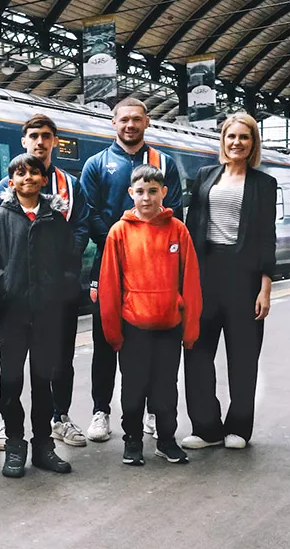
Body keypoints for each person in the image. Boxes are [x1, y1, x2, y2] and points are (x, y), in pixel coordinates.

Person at [80, 97, 183, 443]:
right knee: (105, 340)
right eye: (124, 119)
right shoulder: (96, 164)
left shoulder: (164, 162)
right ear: (113, 122)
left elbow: (176, 212)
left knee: (151, 342)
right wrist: (117, 244)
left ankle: (152, 410)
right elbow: (88, 212)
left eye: (136, 119)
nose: (130, 125)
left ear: (147, 121)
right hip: (108, 265)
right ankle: (100, 410)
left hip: (155, 270)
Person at [0, 154, 81, 477]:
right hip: (12, 316)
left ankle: (44, 445)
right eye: (20, 173)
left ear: (44, 180)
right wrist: (3, 283)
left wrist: (60, 290)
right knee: (10, 381)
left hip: (48, 317)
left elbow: (71, 265)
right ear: (11, 181)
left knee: (43, 382)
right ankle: (15, 444)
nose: (28, 178)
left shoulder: (56, 222)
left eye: (35, 172)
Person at [0, 114, 89, 450]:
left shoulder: (70, 185)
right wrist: (7, 282)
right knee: (14, 367)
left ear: (54, 141)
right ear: (23, 140)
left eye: (47, 136)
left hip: (57, 295)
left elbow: (81, 227)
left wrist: (63, 277)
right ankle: (10, 424)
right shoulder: (6, 188)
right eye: (33, 135)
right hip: (18, 298)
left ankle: (60, 418)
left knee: (61, 359)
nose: (40, 141)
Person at [182, 112, 276, 451]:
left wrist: (265, 288)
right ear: (222, 141)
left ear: (253, 144)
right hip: (205, 274)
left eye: (244, 137)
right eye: (231, 136)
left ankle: (239, 427)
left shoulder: (264, 184)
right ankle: (206, 427)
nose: (236, 142)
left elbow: (267, 237)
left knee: (243, 355)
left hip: (245, 277)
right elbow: (191, 228)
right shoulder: (205, 176)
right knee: (196, 352)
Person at [98, 165, 202, 466]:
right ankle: (132, 440)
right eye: (140, 192)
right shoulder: (119, 232)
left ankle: (166, 440)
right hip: (133, 328)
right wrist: (113, 332)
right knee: (132, 388)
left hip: (169, 326)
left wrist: (190, 329)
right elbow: (109, 285)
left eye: (153, 191)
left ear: (164, 193)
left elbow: (191, 281)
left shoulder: (177, 230)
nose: (147, 198)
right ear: (131, 193)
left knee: (166, 389)